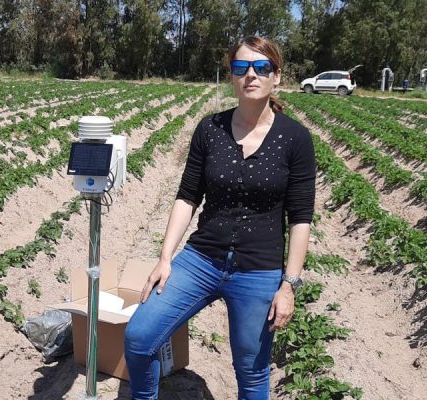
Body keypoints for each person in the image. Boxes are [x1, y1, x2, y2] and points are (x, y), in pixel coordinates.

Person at [124, 35, 316, 400]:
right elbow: (187, 197)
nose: (251, 75)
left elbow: (301, 218)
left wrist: (288, 285)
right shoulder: (209, 129)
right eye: (241, 67)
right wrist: (165, 259)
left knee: (252, 371)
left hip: (258, 271)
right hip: (202, 259)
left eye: (261, 67)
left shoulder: (295, 139)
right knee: (139, 337)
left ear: (277, 75)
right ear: (231, 75)